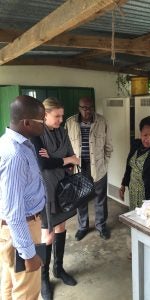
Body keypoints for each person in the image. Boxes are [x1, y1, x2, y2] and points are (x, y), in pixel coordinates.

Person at [32, 97, 80, 300]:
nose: (61, 119)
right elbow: (43, 165)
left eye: (62, 115)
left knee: (61, 228)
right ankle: (44, 279)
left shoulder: (62, 132)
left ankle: (58, 269)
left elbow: (72, 156)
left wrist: (57, 158)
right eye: (57, 116)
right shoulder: (36, 134)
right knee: (47, 235)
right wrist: (66, 159)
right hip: (44, 191)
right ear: (44, 115)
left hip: (63, 187)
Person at [0, 95, 46, 300]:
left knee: (10, 282)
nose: (44, 124)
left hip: (10, 229)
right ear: (26, 123)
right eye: (41, 121)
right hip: (22, 227)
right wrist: (28, 254)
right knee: (27, 292)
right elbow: (14, 212)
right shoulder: (16, 155)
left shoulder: (8, 141)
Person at [65, 97, 113, 241]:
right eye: (84, 108)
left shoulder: (102, 121)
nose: (87, 111)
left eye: (90, 107)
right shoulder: (70, 122)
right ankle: (82, 227)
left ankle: (101, 226)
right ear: (78, 108)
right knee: (81, 199)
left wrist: (104, 164)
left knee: (100, 198)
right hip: (79, 168)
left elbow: (109, 147)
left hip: (98, 167)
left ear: (93, 108)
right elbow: (66, 146)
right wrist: (69, 164)